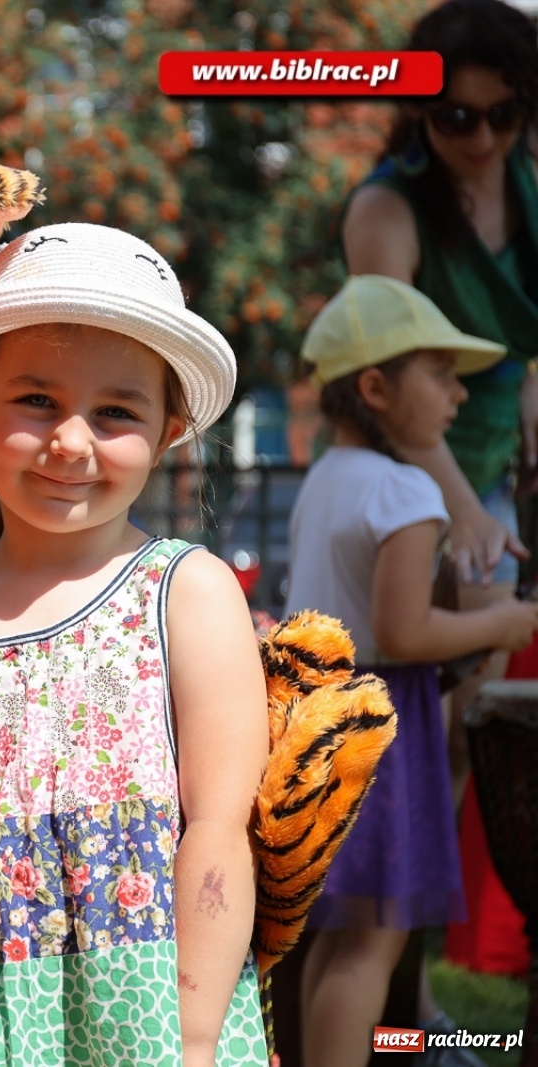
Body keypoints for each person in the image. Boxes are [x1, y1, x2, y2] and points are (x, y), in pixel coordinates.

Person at [0, 222, 269, 1066]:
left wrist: (193, 1040)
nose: (71, 440)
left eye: (115, 412)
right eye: (36, 399)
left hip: (148, 1035)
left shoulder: (186, 592)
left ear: (171, 426)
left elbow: (219, 831)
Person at [284, 274, 538, 1067]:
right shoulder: (406, 489)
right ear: (374, 387)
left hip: (314, 721)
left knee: (331, 941)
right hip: (383, 738)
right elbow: (402, 629)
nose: (458, 396)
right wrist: (501, 620)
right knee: (371, 945)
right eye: (440, 373)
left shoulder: (325, 479)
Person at [341, 0, 538, 749]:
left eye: (505, 113)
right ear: (420, 106)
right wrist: (469, 513)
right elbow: (393, 390)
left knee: (479, 719)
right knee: (416, 714)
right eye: (458, 117)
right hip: (409, 464)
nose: (484, 136)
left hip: (494, 460)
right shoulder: (386, 211)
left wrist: (529, 390)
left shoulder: (529, 174)